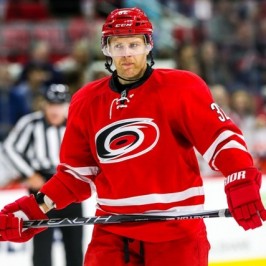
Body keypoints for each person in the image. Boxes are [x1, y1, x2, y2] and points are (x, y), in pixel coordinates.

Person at [0, 7, 265, 266]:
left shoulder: (182, 87)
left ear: (148, 46)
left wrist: (240, 176)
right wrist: (33, 209)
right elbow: (75, 176)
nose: (127, 54)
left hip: (177, 234)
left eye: (134, 45)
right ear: (107, 50)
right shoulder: (86, 101)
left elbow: (220, 138)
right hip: (113, 233)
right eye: (118, 46)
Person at [2, 84, 83, 266]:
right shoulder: (31, 123)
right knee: (42, 244)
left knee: (74, 242)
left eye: (60, 104)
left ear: (67, 105)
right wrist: (29, 174)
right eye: (51, 104)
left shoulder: (75, 123)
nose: (55, 109)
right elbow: (9, 148)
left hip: (71, 186)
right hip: (42, 186)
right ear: (44, 104)